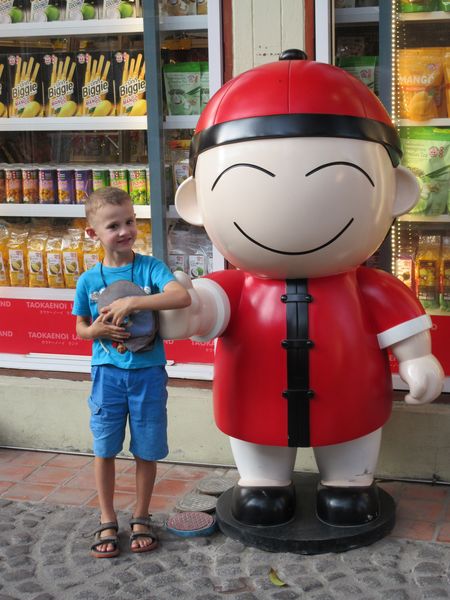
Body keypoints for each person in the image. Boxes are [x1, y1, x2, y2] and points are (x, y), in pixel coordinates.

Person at [159, 50, 444, 532]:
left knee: (351, 441)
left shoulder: (367, 287)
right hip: (256, 400)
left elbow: (403, 326)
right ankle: (262, 482)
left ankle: (350, 483)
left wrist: (417, 358)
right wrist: (180, 311)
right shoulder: (237, 287)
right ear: (196, 202)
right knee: (259, 452)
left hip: (349, 397)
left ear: (395, 192)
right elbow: (203, 311)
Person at [73, 186, 190, 557]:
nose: (124, 231)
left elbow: (181, 296)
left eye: (129, 221)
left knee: (147, 448)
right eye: (113, 226)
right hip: (107, 375)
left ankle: (141, 515)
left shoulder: (150, 268)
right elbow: (80, 326)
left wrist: (133, 302)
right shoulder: (88, 280)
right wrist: (96, 331)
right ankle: (107, 517)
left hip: (147, 374)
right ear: (93, 233)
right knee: (104, 448)